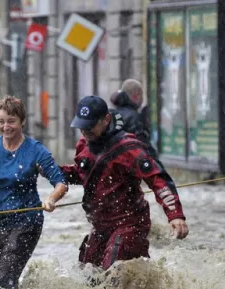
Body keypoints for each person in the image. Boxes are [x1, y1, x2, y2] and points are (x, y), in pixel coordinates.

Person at [48, 96, 188, 272]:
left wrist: (175, 214)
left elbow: (158, 179)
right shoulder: (84, 145)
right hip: (100, 226)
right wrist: (48, 170)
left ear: (106, 120)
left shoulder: (129, 147)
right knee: (89, 275)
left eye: (90, 126)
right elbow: (81, 174)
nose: (85, 131)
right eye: (81, 126)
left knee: (111, 275)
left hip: (130, 225)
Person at [0, 96, 68, 289]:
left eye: (11, 121)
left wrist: (51, 199)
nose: (6, 127)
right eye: (1, 122)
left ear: (22, 121)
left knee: (6, 275)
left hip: (26, 222)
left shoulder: (35, 150)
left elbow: (61, 182)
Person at [109, 78, 153, 149]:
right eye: (142, 95)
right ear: (137, 95)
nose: (142, 99)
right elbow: (142, 146)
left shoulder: (113, 113)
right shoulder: (134, 117)